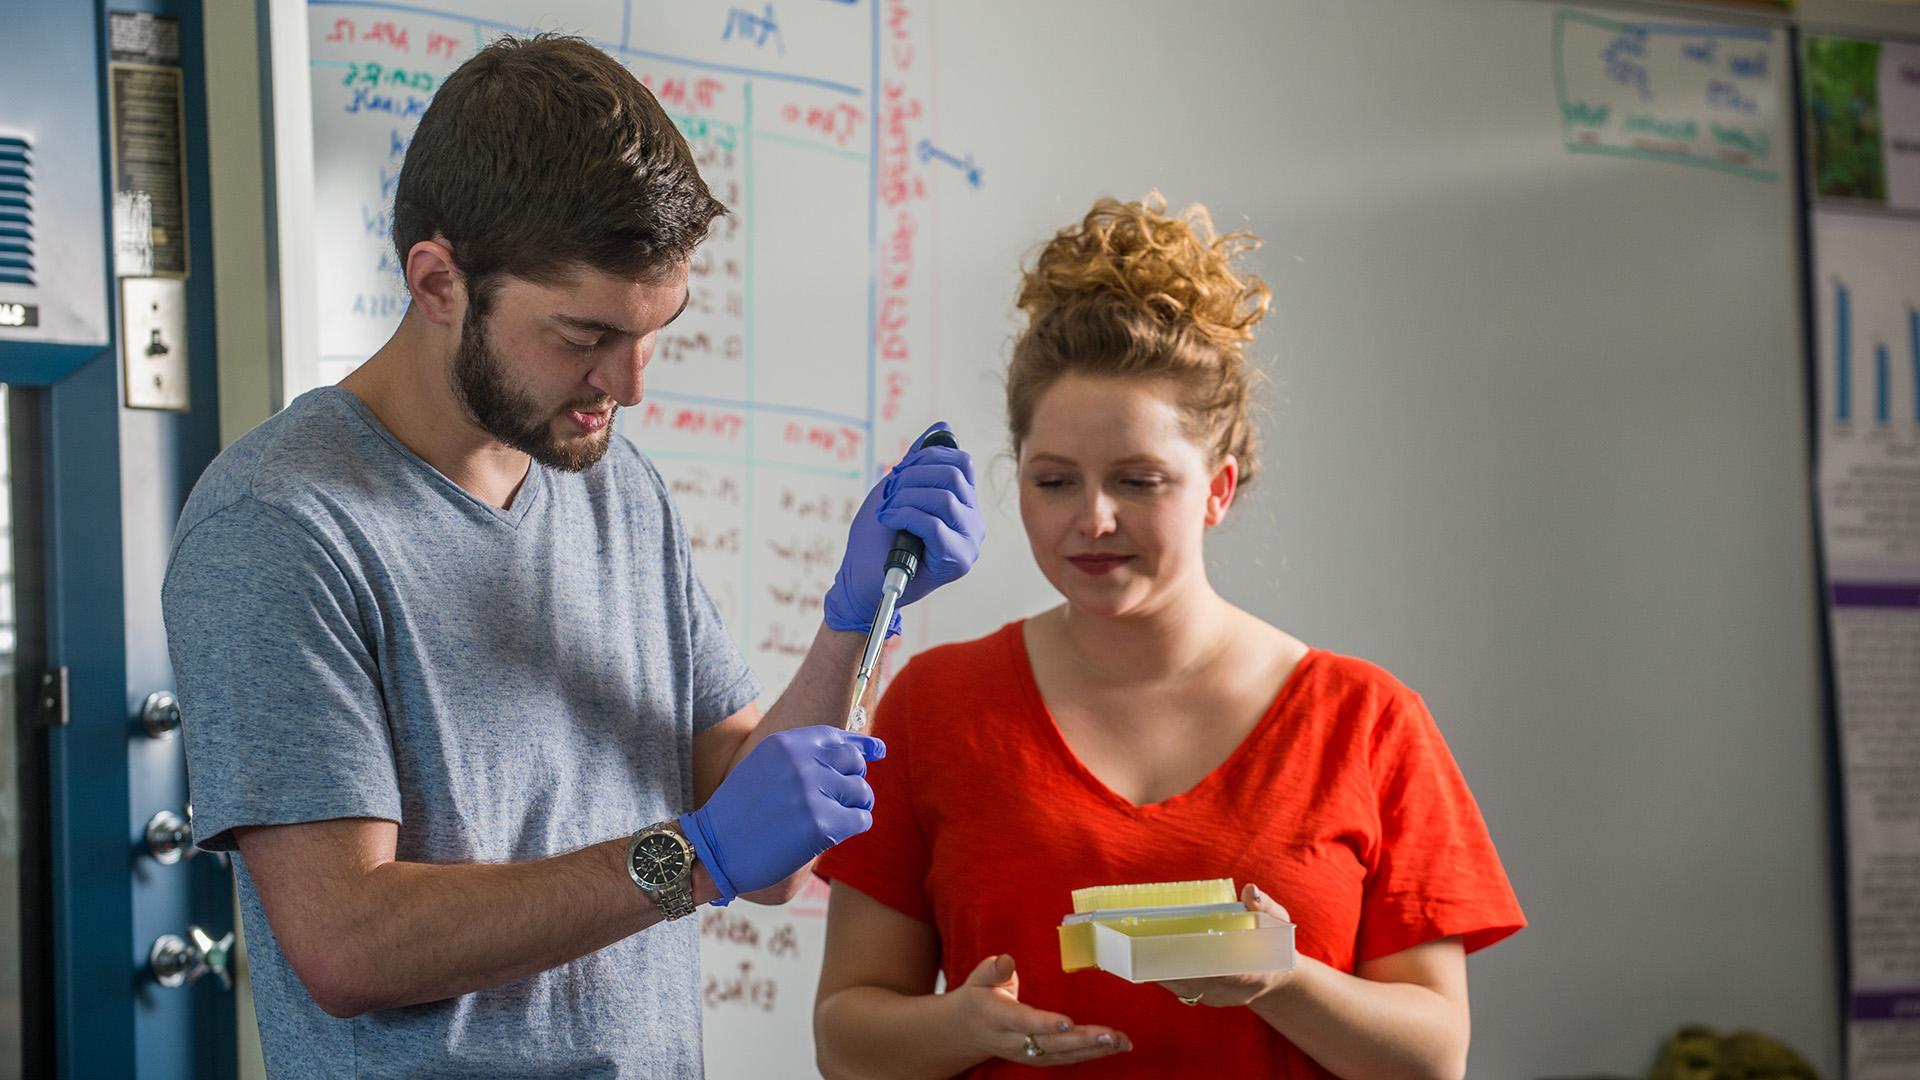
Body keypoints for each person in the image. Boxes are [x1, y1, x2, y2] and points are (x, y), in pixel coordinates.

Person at [161, 35, 983, 1080]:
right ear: (437, 280)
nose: (628, 384)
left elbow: (753, 827)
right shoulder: (283, 523)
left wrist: (857, 619)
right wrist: (693, 859)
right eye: (582, 334)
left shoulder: (612, 482)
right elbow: (348, 940)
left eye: (655, 329)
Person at [812, 194, 1524, 1079]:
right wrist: (964, 1027)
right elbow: (845, 1039)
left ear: (1218, 489)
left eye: (1140, 481)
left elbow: (1433, 1057)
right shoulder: (934, 705)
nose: (1094, 519)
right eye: (1055, 481)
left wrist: (1280, 978)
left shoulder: (1367, 720)